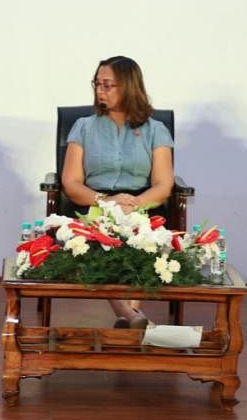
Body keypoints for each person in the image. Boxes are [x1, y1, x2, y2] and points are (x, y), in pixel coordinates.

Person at [60, 56, 175, 329]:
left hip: (142, 205)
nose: (100, 89)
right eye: (97, 83)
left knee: (139, 246)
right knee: (104, 246)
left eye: (108, 84)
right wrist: (107, 202)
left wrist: (133, 204)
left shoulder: (155, 130)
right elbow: (71, 182)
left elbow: (163, 185)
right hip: (96, 203)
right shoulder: (84, 127)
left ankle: (129, 316)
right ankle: (132, 316)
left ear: (129, 86)